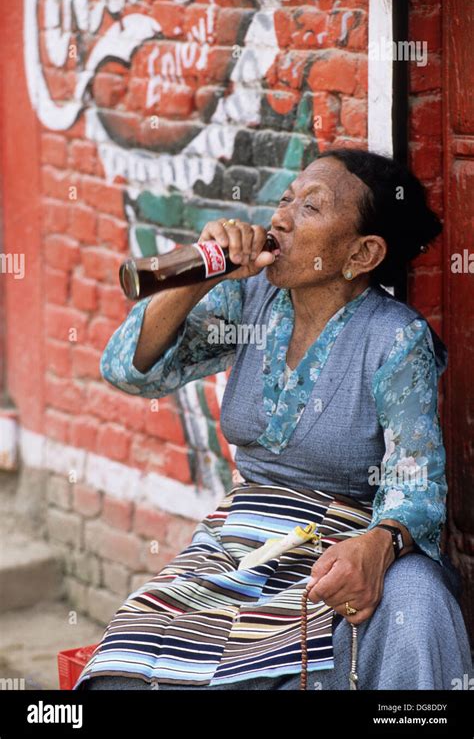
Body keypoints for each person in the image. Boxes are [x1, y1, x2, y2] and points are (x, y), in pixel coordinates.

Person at [74, 149, 473, 691]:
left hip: (338, 548)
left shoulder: (395, 338)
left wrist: (378, 543)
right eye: (285, 198)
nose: (280, 217)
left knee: (413, 602)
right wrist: (203, 272)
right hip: (240, 540)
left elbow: (415, 482)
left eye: (311, 207)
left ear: (362, 252)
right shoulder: (251, 301)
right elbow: (130, 370)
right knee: (127, 670)